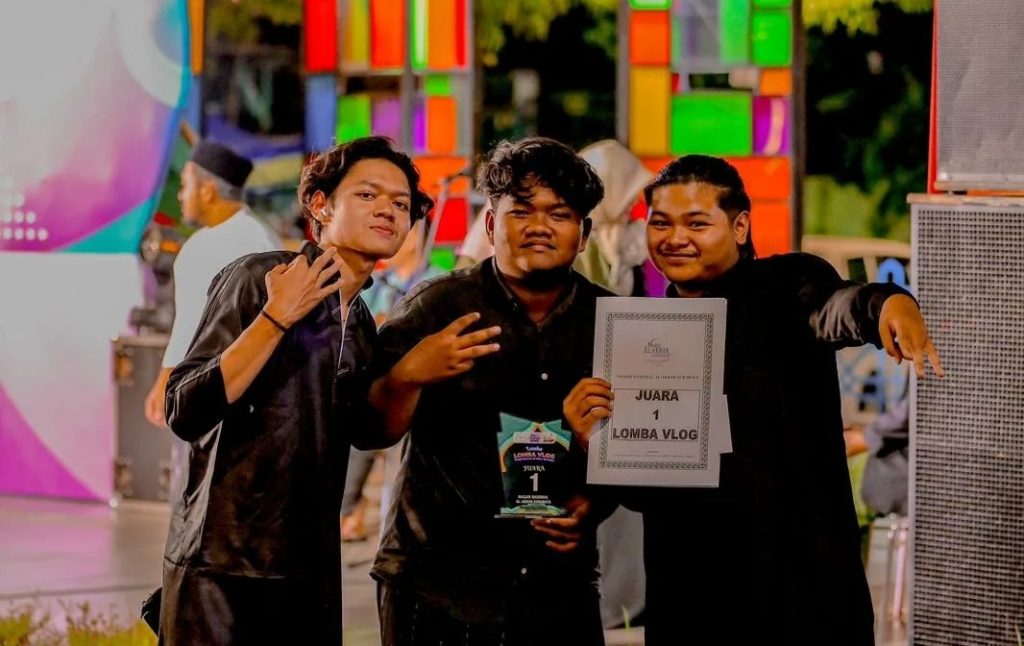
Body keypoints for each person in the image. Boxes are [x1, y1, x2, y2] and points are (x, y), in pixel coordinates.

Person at [563, 155, 943, 645]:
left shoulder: (786, 286)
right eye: (661, 223)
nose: (675, 238)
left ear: (739, 226)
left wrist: (888, 304)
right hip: (691, 602)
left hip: (802, 601)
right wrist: (596, 439)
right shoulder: (647, 335)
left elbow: (837, 306)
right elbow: (645, 494)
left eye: (696, 223)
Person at [159, 136, 473, 644]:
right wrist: (275, 318)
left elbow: (369, 434)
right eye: (367, 195)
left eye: (401, 204)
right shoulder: (261, 277)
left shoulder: (362, 321)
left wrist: (409, 376)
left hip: (310, 572)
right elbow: (184, 408)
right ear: (321, 205)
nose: (388, 211)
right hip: (223, 569)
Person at [367, 137, 612, 645]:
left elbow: (646, 446)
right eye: (521, 211)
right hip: (438, 588)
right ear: (491, 224)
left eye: (560, 214)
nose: (540, 226)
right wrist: (407, 374)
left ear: (584, 234)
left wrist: (596, 501)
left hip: (557, 589)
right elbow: (369, 429)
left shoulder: (612, 323)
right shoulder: (437, 306)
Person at [143, 141, 280, 497]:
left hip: (232, 395)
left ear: (207, 190)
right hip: (197, 389)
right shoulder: (199, 244)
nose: (181, 196)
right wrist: (166, 380)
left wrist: (167, 381)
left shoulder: (255, 242)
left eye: (186, 186)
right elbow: (187, 323)